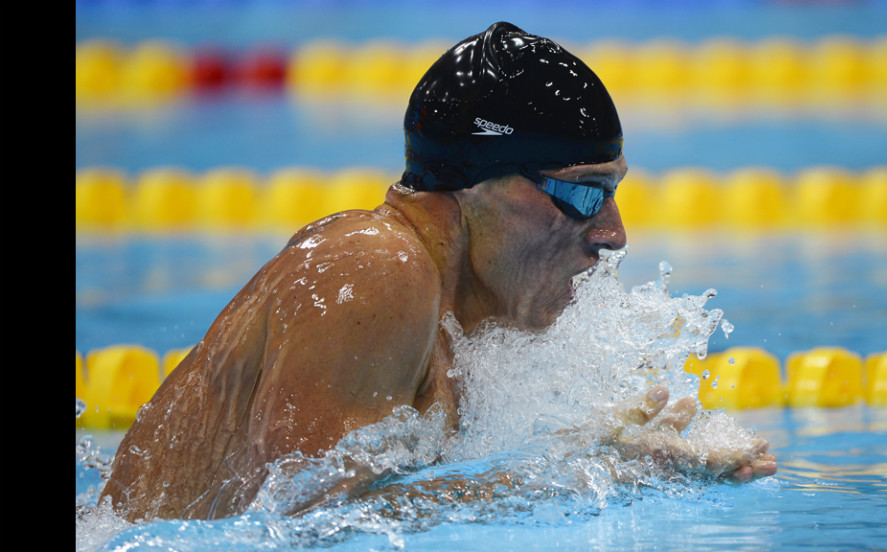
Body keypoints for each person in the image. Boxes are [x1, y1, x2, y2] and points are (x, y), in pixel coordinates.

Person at [99, 22, 776, 522]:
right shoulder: (376, 266)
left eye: (614, 193)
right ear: (476, 186)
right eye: (582, 194)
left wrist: (599, 452)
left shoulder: (456, 324)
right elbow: (305, 521)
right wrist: (582, 477)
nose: (611, 234)